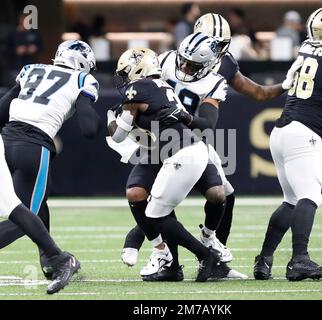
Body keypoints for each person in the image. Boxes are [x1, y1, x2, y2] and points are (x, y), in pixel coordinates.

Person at [121, 14, 301, 279]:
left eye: (216, 44)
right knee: (149, 196)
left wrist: (285, 85)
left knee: (222, 194)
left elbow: (256, 94)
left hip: (191, 138)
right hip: (159, 137)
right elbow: (140, 87)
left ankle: (212, 252)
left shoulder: (220, 71)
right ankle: (168, 259)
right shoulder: (169, 58)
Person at [254, 5, 322, 281]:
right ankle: (299, 260)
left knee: (291, 200)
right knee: (310, 197)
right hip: (304, 133)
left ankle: (264, 259)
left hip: (282, 131)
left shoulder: (306, 48)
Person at [107, 47, 223, 282]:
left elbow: (119, 135)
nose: (124, 78)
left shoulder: (138, 88)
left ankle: (201, 255)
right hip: (188, 150)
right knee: (156, 211)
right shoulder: (162, 86)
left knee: (155, 216)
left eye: (126, 72)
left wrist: (110, 119)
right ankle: (178, 258)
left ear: (139, 69)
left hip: (181, 153)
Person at [0, 40, 101, 279]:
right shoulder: (82, 79)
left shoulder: (31, 69)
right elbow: (89, 129)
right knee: (24, 217)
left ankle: (50, 260)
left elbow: (2, 109)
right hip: (33, 147)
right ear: (83, 63)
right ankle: (59, 259)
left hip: (4, 141)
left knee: (36, 203)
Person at [0, 133, 80, 294]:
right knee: (18, 207)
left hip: (32, 142)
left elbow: (91, 128)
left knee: (14, 207)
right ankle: (53, 258)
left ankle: (58, 258)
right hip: (18, 140)